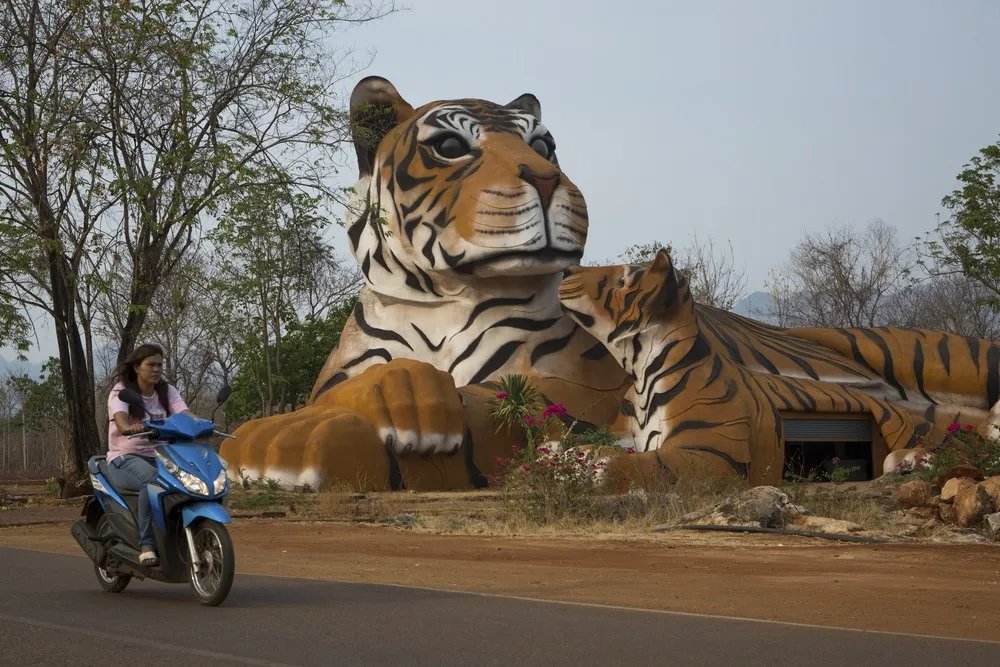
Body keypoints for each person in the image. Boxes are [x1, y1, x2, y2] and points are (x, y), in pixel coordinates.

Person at [104, 343, 192, 566]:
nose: (156, 369)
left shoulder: (166, 391)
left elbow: (184, 413)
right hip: (126, 456)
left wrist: (200, 423)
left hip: (162, 454)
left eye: (160, 365)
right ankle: (147, 544)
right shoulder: (121, 391)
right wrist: (128, 428)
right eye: (151, 364)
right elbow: (121, 419)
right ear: (136, 367)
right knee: (153, 481)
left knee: (189, 480)